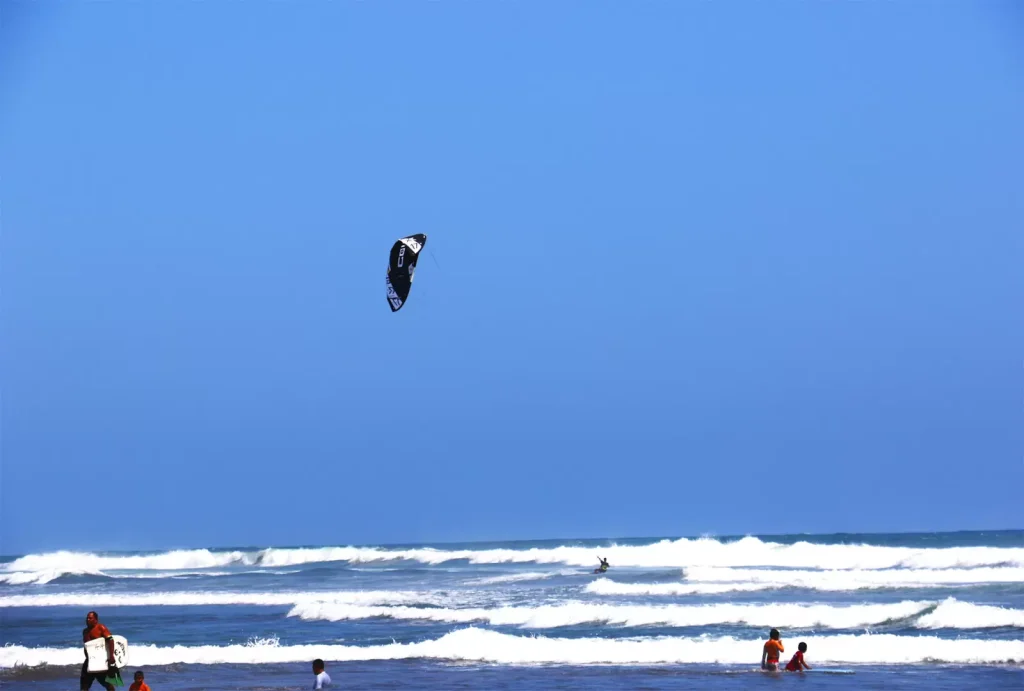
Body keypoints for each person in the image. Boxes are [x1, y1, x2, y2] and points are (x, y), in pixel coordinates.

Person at [81, 611, 116, 691]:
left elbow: (110, 640)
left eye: (90, 618)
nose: (87, 619)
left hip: (100, 662)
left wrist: (111, 656)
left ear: (96, 620)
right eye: (87, 618)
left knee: (108, 685)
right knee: (84, 687)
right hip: (89, 661)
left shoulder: (101, 628)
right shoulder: (85, 631)